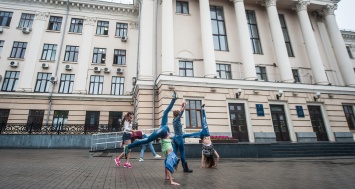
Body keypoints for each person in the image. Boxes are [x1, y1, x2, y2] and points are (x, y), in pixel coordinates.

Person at [183, 104, 220, 168]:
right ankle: (203, 108)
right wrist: (215, 164)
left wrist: (215, 164)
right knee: (191, 134)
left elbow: (218, 157)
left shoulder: (209, 151)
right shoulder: (209, 151)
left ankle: (203, 108)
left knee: (203, 121)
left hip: (204, 135)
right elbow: (216, 157)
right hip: (204, 134)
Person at [172, 101, 193, 172]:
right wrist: (184, 105)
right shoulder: (177, 120)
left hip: (174, 138)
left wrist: (181, 105)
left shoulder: (174, 120)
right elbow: (181, 112)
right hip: (179, 138)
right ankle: (185, 168)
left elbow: (179, 112)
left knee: (174, 152)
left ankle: (172, 164)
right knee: (182, 153)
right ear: (178, 115)